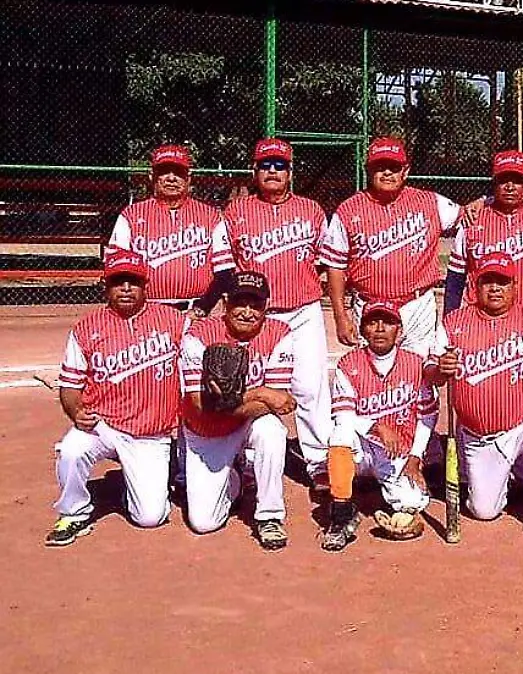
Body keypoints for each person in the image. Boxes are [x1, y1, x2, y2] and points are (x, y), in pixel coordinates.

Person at [428, 252, 523, 542]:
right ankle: (508, 479)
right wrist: (440, 369)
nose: (495, 288)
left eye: (502, 282)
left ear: (514, 286)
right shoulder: (454, 323)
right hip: (479, 435)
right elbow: (431, 372)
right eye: (488, 282)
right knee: (484, 511)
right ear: (475, 285)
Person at [46, 251, 186, 546]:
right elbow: (70, 386)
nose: (125, 288)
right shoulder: (86, 328)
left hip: (150, 432)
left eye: (133, 282)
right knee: (71, 450)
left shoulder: (174, 321)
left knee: (150, 518)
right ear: (105, 285)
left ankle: (132, 485)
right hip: (102, 424)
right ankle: (74, 512)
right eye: (118, 281)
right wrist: (76, 412)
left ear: (145, 285)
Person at [224, 138, 332, 484]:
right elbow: (226, 267)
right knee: (255, 384)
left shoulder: (312, 210)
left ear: (290, 171)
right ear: (254, 171)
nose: (272, 171)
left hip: (303, 310)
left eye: (279, 165)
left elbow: (327, 263)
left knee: (311, 386)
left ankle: (317, 461)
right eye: (265, 165)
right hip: (258, 315)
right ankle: (252, 462)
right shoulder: (236, 212)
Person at [179, 271, 297, 549]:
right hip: (205, 429)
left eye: (254, 305)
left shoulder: (279, 333)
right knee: (204, 523)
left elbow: (279, 402)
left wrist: (245, 400)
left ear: (265, 306)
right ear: (225, 302)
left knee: (272, 431)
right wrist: (259, 392)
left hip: (248, 421)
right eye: (239, 303)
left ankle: (269, 516)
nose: (246, 312)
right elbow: (200, 404)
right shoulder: (198, 334)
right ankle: (236, 480)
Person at [321, 136, 462, 355]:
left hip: (417, 306)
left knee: (419, 374)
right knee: (373, 377)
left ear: (405, 171)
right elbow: (335, 267)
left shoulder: (430, 202)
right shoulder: (348, 210)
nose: (387, 173)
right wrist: (340, 316)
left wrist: (484, 200)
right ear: (368, 170)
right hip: (370, 309)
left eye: (393, 167)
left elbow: (470, 216)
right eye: (380, 167)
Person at [322, 301, 437, 551]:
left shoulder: (416, 364)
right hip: (361, 448)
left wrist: (415, 457)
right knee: (339, 434)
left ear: (400, 330)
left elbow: (427, 415)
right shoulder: (348, 364)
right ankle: (341, 514)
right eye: (372, 322)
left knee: (413, 501)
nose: (380, 328)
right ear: (363, 330)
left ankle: (391, 504)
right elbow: (343, 415)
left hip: (395, 451)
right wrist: (377, 427)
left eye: (387, 322)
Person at [106, 144, 236, 317]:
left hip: (199, 311)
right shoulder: (130, 215)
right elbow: (116, 270)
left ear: (189, 178)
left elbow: (225, 272)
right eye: (164, 171)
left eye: (178, 172)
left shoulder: (210, 216)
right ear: (152, 176)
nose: (171, 178)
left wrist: (201, 309)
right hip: (148, 311)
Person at [445, 150, 523, 314]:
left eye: (517, 180)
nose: (510, 187)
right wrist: (450, 318)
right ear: (494, 182)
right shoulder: (472, 219)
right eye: (503, 180)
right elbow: (456, 276)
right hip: (484, 318)